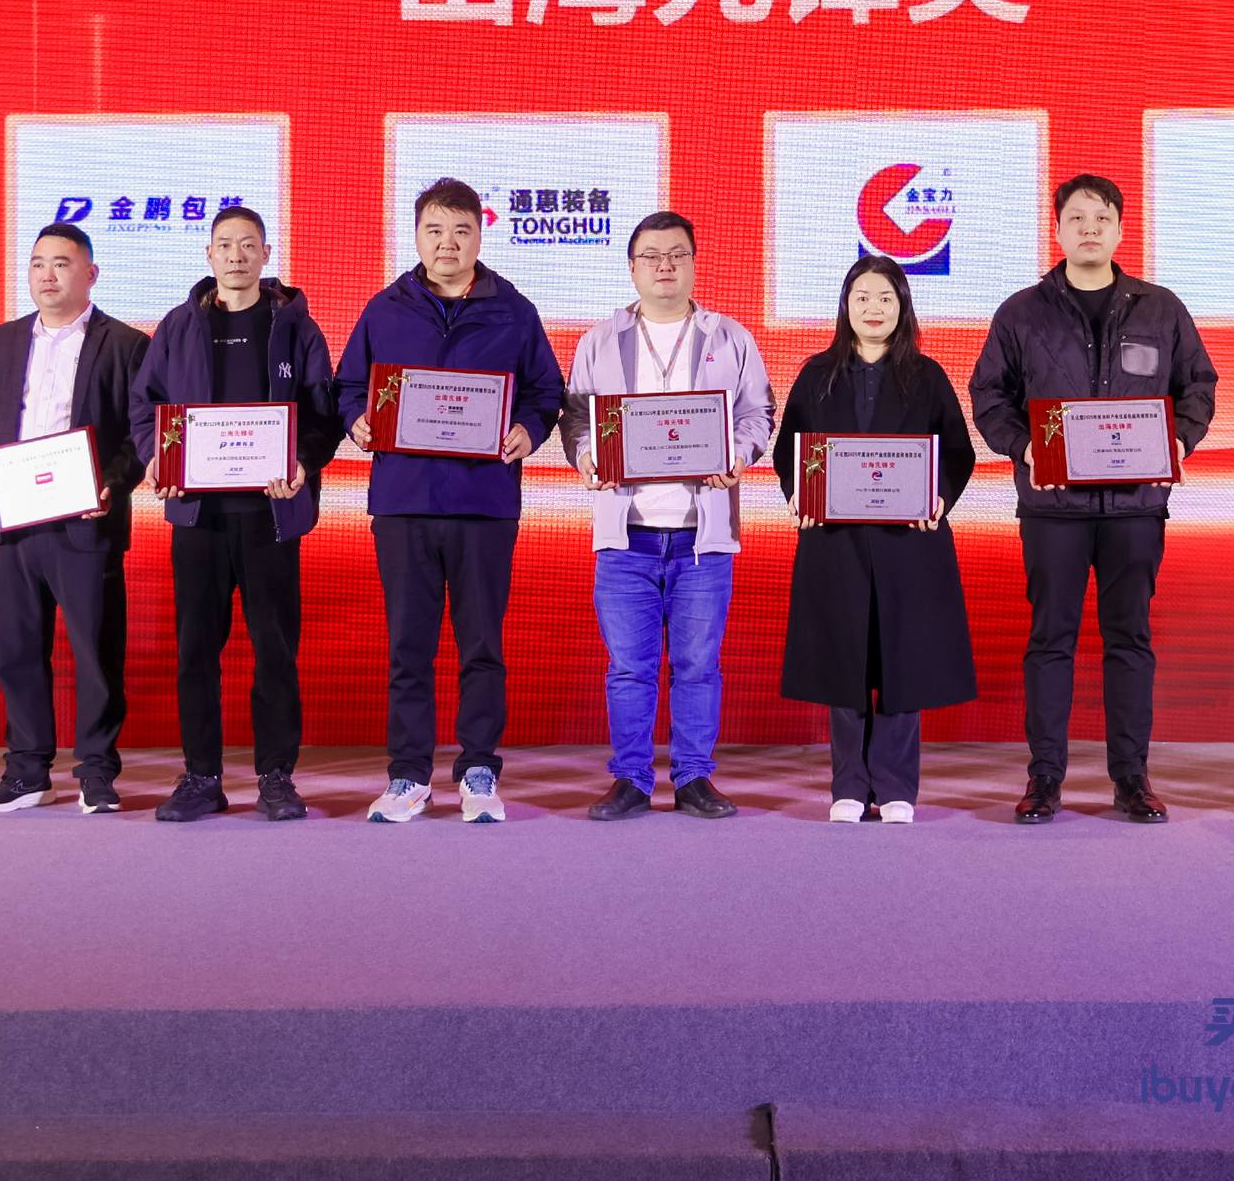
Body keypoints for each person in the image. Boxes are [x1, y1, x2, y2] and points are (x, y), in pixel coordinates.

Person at [968, 173, 1214, 825]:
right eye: (1076, 217)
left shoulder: (1161, 309)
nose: (1089, 228)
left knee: (1130, 639)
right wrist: (1024, 447)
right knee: (1051, 639)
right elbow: (989, 394)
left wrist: (1180, 440)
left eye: (1102, 218)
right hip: (1053, 507)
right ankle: (1044, 777)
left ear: (1121, 230)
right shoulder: (1022, 312)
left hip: (1135, 506)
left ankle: (1132, 778)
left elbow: (1198, 385)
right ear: (1057, 229)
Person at [338, 178, 564, 823]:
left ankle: (479, 770)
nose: (448, 243)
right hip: (404, 502)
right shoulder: (385, 309)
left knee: (481, 646)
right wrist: (357, 420)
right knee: (408, 648)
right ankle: (408, 775)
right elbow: (348, 385)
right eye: (435, 230)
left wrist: (529, 429)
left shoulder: (513, 311)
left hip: (482, 503)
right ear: (416, 236)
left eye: (461, 231)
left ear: (479, 237)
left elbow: (546, 390)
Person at [556, 211, 776, 820]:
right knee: (629, 668)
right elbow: (575, 416)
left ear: (694, 263)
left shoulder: (729, 337)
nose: (665, 266)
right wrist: (587, 457)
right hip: (625, 533)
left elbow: (759, 413)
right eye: (651, 256)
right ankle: (630, 779)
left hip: (702, 536)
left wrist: (738, 455)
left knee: (698, 666)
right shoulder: (600, 340)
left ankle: (693, 778)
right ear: (632, 268)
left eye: (677, 254)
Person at [128, 205, 343, 823]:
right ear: (209, 255)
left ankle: (276, 776)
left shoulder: (295, 326)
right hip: (199, 516)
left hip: (271, 514)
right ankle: (202, 776)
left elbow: (322, 412)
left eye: (249, 245)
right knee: (196, 649)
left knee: (274, 649)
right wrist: (155, 457)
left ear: (266, 254)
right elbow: (146, 405)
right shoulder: (178, 326)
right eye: (225, 245)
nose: (237, 255)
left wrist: (302, 461)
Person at [774, 256, 977, 823]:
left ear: (902, 307)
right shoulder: (817, 374)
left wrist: (938, 497)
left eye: (885, 298)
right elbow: (790, 449)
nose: (873, 308)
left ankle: (895, 788)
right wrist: (799, 493)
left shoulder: (927, 375)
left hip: (907, 542)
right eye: (862, 297)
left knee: (900, 665)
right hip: (835, 542)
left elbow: (956, 452)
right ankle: (847, 784)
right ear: (845, 306)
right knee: (844, 663)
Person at [0, 222, 148, 815]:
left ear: (90, 274)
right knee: (17, 650)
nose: (47, 275)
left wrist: (111, 483)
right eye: (38, 263)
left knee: (95, 652)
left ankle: (96, 771)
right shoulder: (5, 339)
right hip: (14, 519)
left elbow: (139, 433)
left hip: (85, 520)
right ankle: (27, 771)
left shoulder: (125, 344)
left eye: (61, 264)